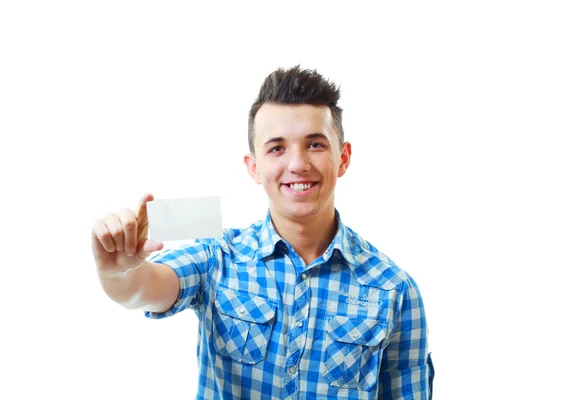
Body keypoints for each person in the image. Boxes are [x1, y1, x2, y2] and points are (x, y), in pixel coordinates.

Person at [92, 65, 434, 399]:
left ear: (343, 158)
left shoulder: (394, 289)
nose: (297, 164)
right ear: (254, 167)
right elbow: (143, 287)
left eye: (315, 144)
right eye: (277, 148)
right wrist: (120, 271)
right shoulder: (218, 258)